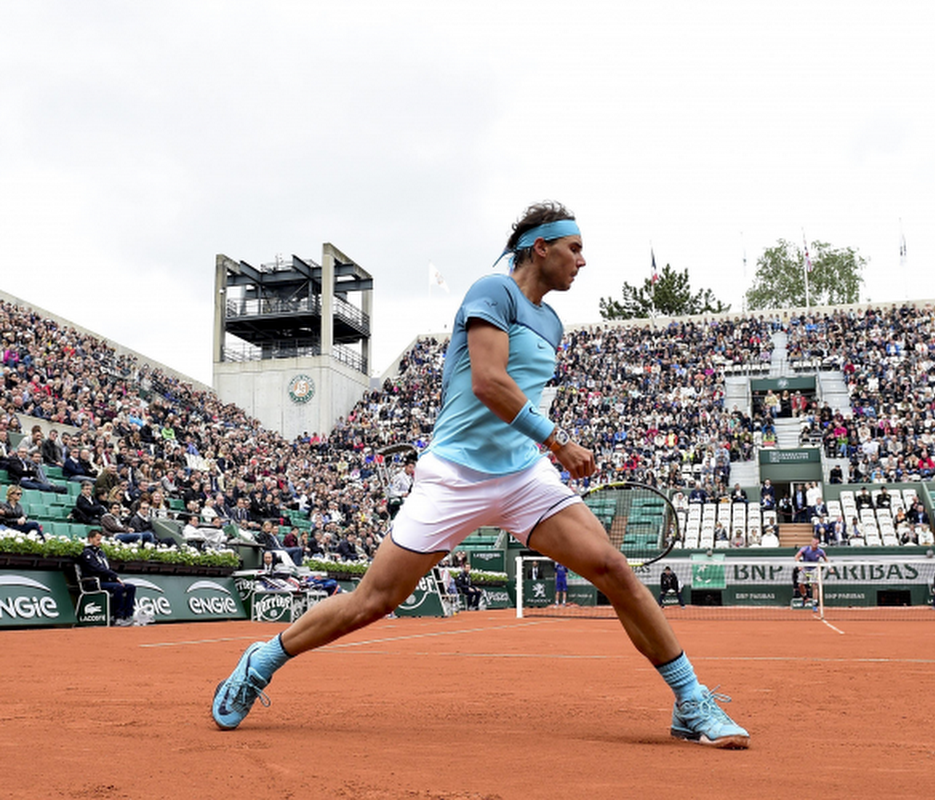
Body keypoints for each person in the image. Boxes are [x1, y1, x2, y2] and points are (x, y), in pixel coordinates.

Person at [211, 203, 747, 748]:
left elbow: (518, 396)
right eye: (574, 248)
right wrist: (558, 440)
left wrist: (542, 447)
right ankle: (262, 659)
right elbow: (489, 383)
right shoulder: (492, 293)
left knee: (612, 566)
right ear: (542, 247)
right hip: (454, 477)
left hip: (522, 477)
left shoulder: (553, 321)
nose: (583, 261)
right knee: (372, 602)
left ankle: (690, 701)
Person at [79, 529, 138, 626]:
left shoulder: (101, 553)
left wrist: (113, 578)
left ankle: (128, 616)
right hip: (93, 582)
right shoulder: (86, 553)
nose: (100, 542)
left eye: (100, 539)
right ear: (90, 539)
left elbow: (106, 568)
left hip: (105, 581)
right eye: (97, 539)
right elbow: (97, 568)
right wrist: (114, 576)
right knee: (118, 587)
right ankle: (117, 617)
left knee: (131, 587)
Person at [794, 537, 828, 609]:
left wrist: (830, 567)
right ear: (811, 542)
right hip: (804, 568)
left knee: (814, 585)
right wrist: (799, 565)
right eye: (813, 542)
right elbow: (796, 557)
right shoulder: (805, 549)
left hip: (814, 569)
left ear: (818, 543)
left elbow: (826, 559)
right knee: (800, 585)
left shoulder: (821, 551)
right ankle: (805, 597)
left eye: (816, 543)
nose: (814, 544)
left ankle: (815, 603)